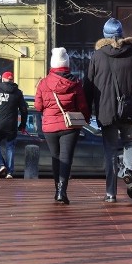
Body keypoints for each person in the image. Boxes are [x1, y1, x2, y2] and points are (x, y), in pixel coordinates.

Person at [84, 17, 132, 203]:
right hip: (130, 109)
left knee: (110, 151)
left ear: (105, 36)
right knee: (130, 142)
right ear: (122, 34)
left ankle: (110, 193)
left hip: (106, 111)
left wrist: (85, 111)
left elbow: (88, 87)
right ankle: (128, 170)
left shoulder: (97, 56)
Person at [34, 47, 91, 205]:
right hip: (69, 126)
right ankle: (62, 192)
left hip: (50, 127)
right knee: (66, 158)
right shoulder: (75, 83)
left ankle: (56, 190)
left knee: (56, 158)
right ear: (67, 64)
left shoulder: (43, 83)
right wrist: (85, 118)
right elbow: (83, 106)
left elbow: (38, 107)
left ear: (52, 64)